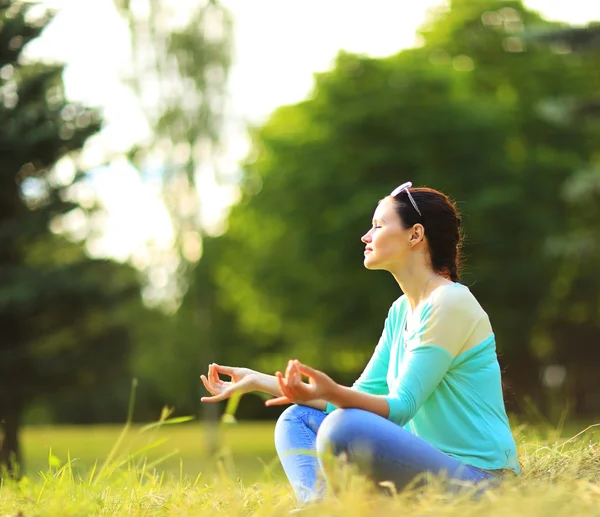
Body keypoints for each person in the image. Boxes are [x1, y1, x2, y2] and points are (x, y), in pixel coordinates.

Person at [200, 182, 520, 506]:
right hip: (430, 466)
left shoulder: (449, 302)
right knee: (296, 419)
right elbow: (362, 394)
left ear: (415, 235)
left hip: (481, 481)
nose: (366, 236)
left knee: (343, 425)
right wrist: (258, 381)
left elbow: (399, 407)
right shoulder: (400, 311)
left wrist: (331, 392)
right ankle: (318, 508)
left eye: (378, 226)